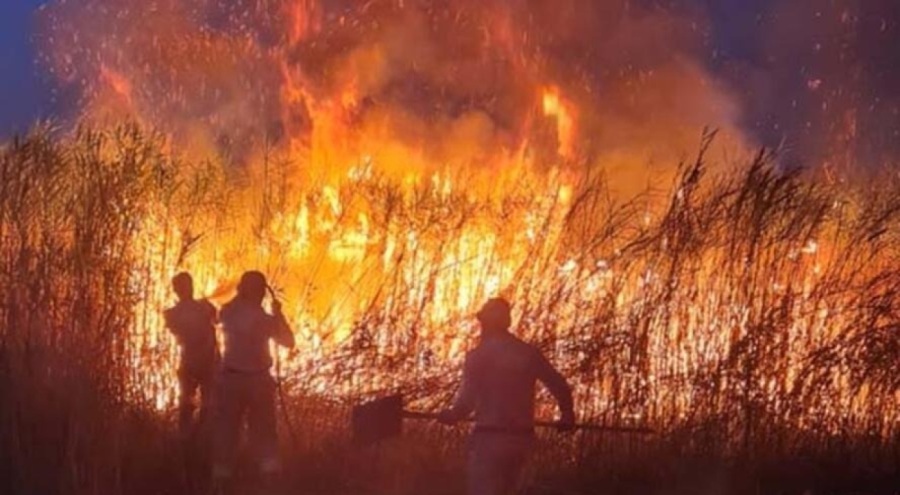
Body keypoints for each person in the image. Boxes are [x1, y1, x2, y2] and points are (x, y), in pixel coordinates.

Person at [438, 297, 575, 495]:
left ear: (485, 323)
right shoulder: (527, 353)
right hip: (522, 441)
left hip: (489, 441)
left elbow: (466, 403)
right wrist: (567, 414)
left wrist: (451, 415)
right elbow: (558, 384)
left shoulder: (478, 356)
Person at [212, 271, 295, 493]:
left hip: (231, 380)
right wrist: (279, 315)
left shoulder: (228, 313)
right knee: (265, 431)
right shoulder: (264, 320)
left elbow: (222, 312)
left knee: (227, 430)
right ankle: (269, 478)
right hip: (258, 381)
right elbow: (288, 341)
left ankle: (221, 480)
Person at [163, 272, 219, 440]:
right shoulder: (173, 313)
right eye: (182, 286)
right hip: (192, 363)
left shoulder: (202, 307)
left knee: (208, 404)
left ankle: (200, 436)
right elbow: (179, 329)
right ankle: (188, 439)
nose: (186, 289)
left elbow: (216, 320)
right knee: (188, 403)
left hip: (206, 362)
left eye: (187, 285)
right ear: (176, 290)